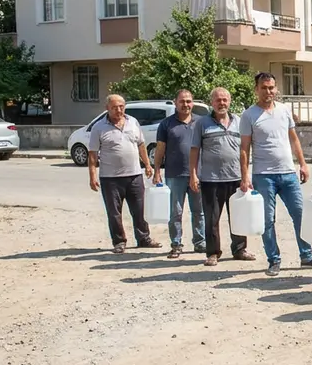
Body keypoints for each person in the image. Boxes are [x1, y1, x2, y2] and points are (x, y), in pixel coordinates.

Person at [239, 71, 312, 277]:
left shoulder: (284, 110)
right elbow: (244, 148)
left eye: (271, 87)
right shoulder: (249, 115)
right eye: (264, 87)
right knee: (267, 220)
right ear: (256, 89)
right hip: (263, 175)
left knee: (300, 214)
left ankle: (306, 256)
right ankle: (274, 260)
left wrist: (303, 164)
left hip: (288, 173)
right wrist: (245, 176)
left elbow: (294, 139)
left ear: (276, 89)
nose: (268, 91)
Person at [87, 94, 161, 254]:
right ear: (107, 108)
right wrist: (92, 176)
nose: (119, 110)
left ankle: (144, 238)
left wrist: (147, 165)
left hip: (134, 175)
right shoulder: (98, 127)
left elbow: (141, 144)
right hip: (110, 178)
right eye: (114, 107)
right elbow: (92, 154)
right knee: (114, 213)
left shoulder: (133, 122)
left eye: (121, 106)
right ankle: (119, 241)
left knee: (140, 210)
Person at [189, 87, 254, 266]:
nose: (221, 103)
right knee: (211, 218)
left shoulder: (239, 122)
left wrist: (245, 176)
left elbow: (245, 150)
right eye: (218, 100)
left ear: (230, 101)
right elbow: (194, 150)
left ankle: (240, 249)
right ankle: (213, 253)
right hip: (211, 180)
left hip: (235, 178)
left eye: (225, 100)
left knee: (238, 216)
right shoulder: (202, 124)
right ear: (212, 102)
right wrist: (193, 174)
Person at [152, 89, 205, 258]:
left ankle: (200, 242)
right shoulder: (166, 124)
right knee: (176, 212)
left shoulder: (201, 122)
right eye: (182, 101)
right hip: (174, 174)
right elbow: (160, 149)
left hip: (198, 174)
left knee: (199, 211)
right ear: (175, 102)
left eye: (189, 101)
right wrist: (156, 171)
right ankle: (176, 244)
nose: (186, 104)